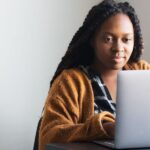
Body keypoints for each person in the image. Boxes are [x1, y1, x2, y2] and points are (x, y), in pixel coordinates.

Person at [39, 0, 150, 150]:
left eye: (126, 39)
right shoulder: (70, 82)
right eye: (108, 39)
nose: (118, 48)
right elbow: (49, 136)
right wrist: (103, 128)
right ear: (92, 39)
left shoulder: (142, 71)